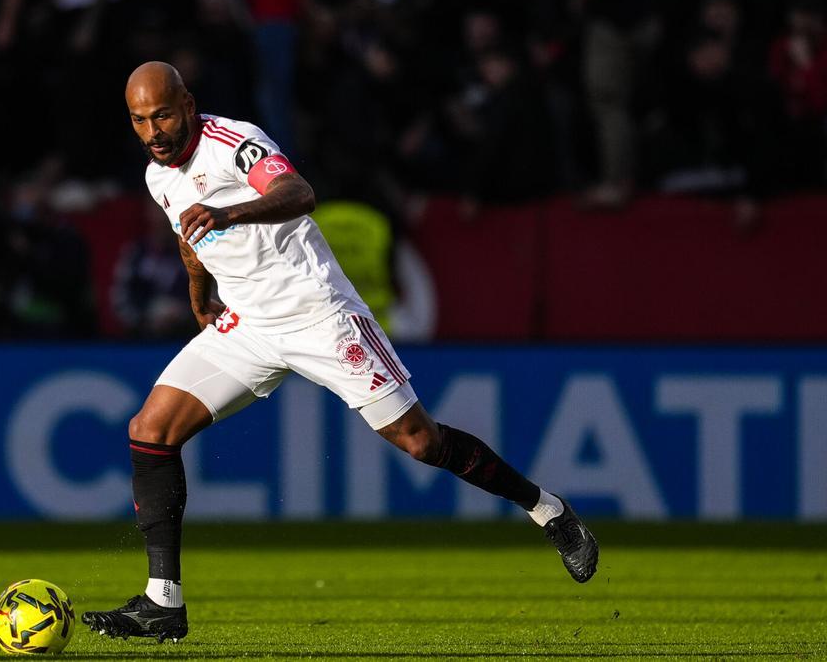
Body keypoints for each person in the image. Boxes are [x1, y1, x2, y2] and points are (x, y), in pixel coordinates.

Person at [81, 62, 598, 644]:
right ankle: (162, 604)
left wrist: (228, 212)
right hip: (248, 325)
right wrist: (202, 302)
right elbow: (191, 242)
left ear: (189, 104)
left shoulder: (234, 141)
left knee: (421, 442)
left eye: (164, 115)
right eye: (140, 120)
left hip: (321, 315)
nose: (154, 131)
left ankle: (547, 509)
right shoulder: (158, 174)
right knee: (151, 431)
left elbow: (298, 193)